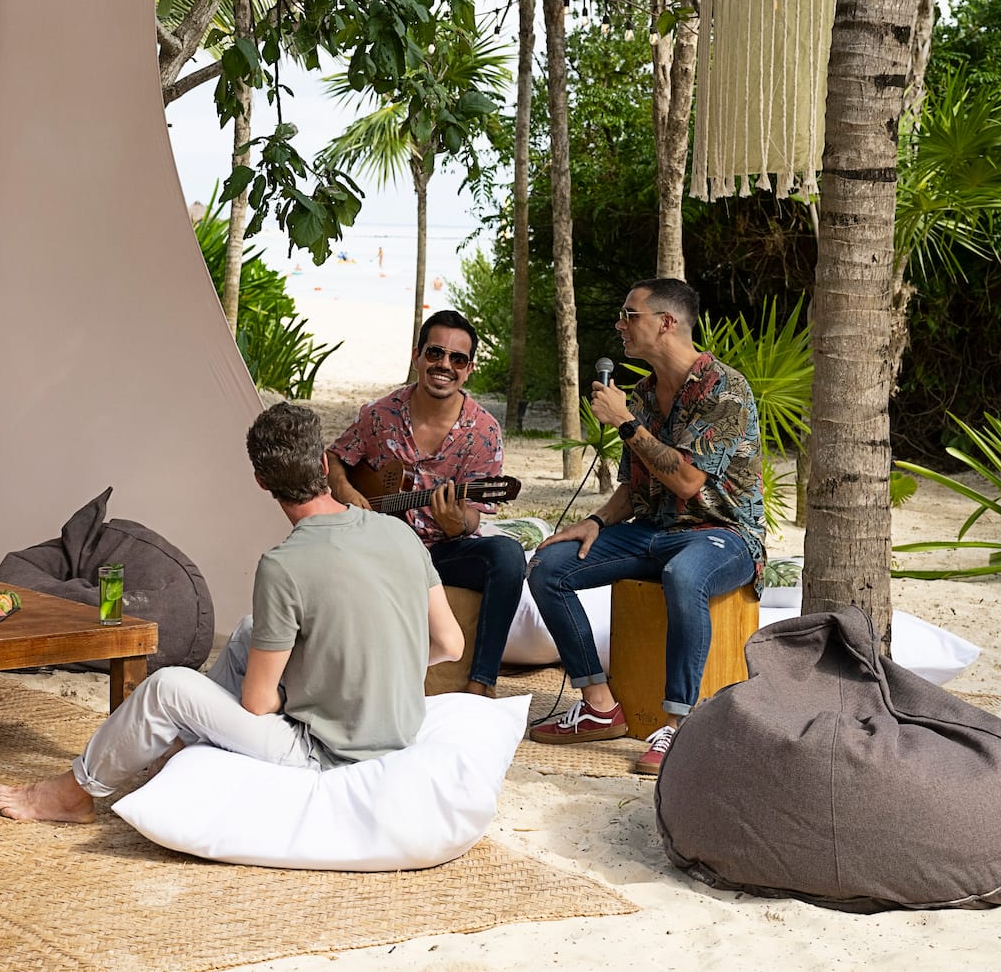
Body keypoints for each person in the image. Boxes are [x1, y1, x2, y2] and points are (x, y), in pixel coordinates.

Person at [0, 402, 463, 824]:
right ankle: (173, 753)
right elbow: (448, 645)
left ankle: (74, 793)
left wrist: (320, 684)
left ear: (261, 481)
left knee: (167, 688)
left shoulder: (285, 565)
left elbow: (258, 704)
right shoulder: (396, 532)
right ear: (323, 463)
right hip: (397, 734)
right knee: (250, 633)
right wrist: (373, 676)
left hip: (329, 755)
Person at [525, 278, 765, 776]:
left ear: (667, 322)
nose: (620, 324)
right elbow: (636, 489)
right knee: (549, 565)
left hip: (722, 535)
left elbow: (687, 480)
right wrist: (594, 521)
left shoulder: (726, 388)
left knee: (685, 574)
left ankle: (677, 726)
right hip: (653, 532)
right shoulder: (639, 393)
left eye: (630, 314)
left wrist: (626, 425)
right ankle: (598, 705)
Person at [325, 309, 524, 698]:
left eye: (457, 359)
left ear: (469, 370)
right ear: (417, 356)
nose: (444, 365)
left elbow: (469, 519)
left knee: (508, 556)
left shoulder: (483, 433)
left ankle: (480, 683)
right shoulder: (379, 415)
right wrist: (348, 494)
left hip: (441, 552)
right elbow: (333, 458)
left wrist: (457, 523)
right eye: (435, 353)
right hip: (379, 548)